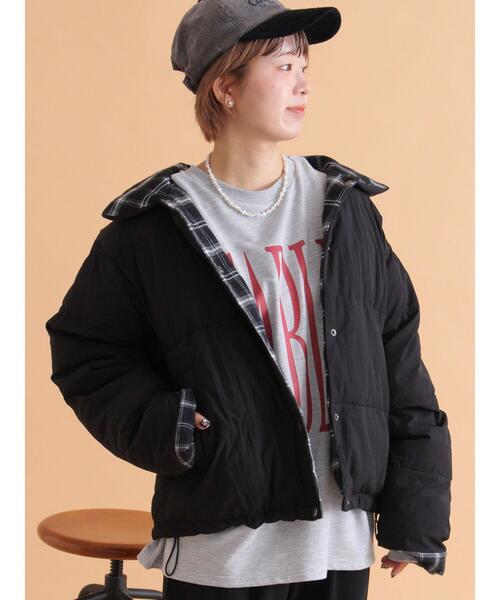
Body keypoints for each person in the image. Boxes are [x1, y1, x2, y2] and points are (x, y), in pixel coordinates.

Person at [45, 2, 452, 599]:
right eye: (284, 66)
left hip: (337, 542)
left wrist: (418, 516)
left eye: (304, 66)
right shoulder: (153, 230)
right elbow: (86, 352)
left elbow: (399, 358)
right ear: (226, 87)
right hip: (222, 546)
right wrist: (173, 424)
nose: (304, 83)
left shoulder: (347, 211)